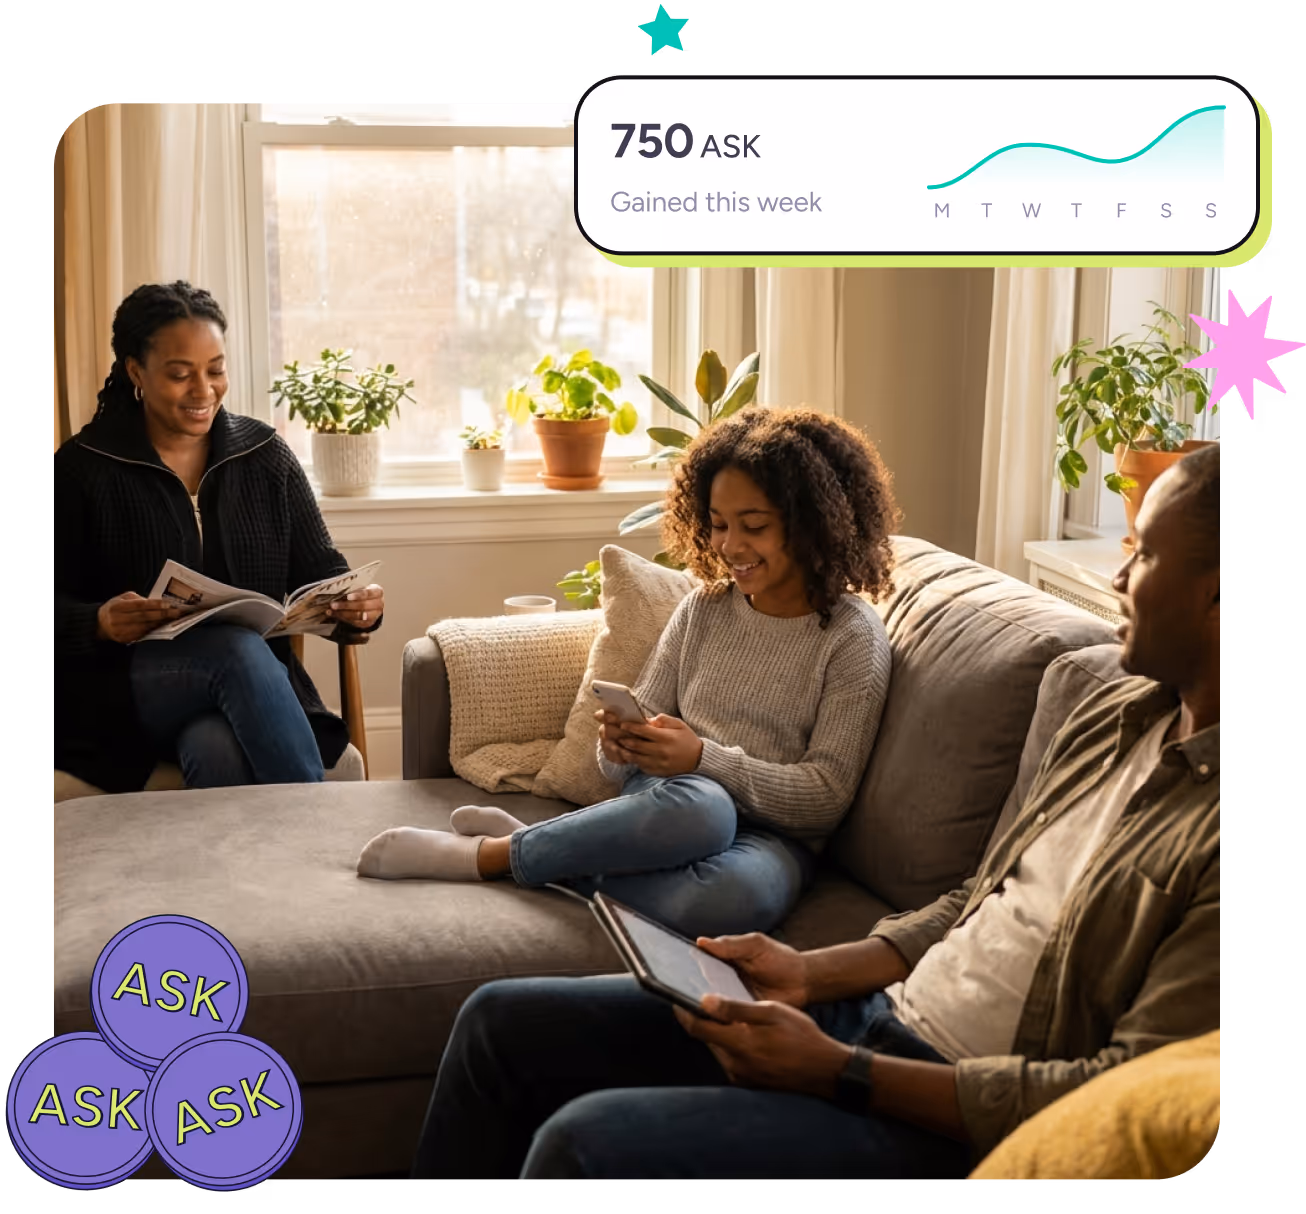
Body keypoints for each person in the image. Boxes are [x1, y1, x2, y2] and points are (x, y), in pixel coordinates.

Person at [409, 444, 1221, 1179]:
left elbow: (1125, 1098)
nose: (1117, 578)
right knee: (498, 1022)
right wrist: (809, 972)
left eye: (1144, 552)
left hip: (946, 1102)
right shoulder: (1114, 717)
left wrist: (839, 1072)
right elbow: (977, 901)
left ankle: (520, 856)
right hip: (875, 1012)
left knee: (581, 1144)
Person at [357, 407, 900, 940]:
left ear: (812, 525)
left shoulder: (851, 638)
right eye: (717, 525)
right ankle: (487, 857)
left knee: (732, 899)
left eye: (753, 526)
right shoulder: (703, 609)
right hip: (674, 804)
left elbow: (826, 795)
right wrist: (620, 746)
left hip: (773, 839)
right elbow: (617, 768)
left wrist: (704, 758)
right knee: (705, 809)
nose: (731, 546)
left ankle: (530, 849)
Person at [54, 281, 385, 793]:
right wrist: (98, 621)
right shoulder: (84, 469)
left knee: (216, 746)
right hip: (124, 693)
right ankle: (324, 839)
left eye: (216, 370)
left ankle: (234, 877)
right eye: (181, 374)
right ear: (136, 371)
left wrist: (355, 604)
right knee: (235, 650)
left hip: (245, 693)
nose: (204, 390)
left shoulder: (267, 458)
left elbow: (321, 569)